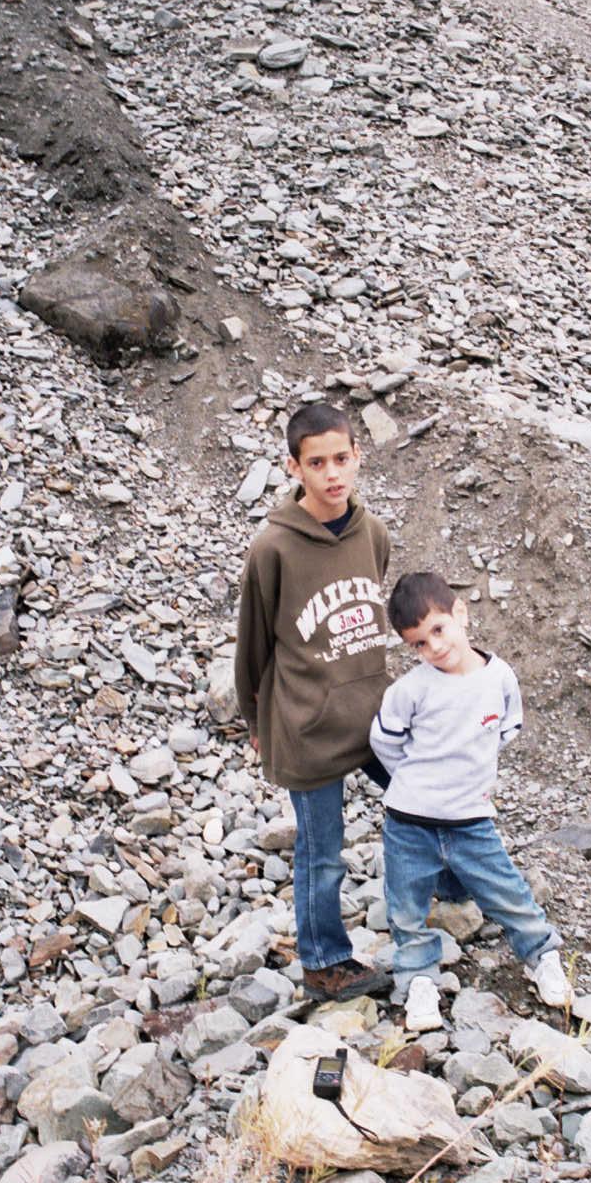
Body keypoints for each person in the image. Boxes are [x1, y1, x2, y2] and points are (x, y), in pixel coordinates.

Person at [234, 402, 395, 1001]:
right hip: (307, 727)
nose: (332, 474)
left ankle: (452, 890)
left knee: (426, 794)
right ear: (294, 467)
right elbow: (253, 642)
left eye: (342, 459)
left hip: (373, 715)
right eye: (317, 463)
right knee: (321, 854)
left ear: (358, 457)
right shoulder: (273, 549)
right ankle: (324, 961)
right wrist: (257, 720)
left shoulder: (372, 532)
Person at [370, 571, 569, 1006]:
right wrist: (412, 778)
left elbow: (503, 731)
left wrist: (468, 774)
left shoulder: (499, 679)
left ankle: (542, 955)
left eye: (438, 630)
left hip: (471, 820)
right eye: (419, 643)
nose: (434, 647)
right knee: (405, 906)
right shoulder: (410, 689)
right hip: (409, 823)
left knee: (508, 891)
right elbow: (384, 741)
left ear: (460, 613)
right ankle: (418, 979)